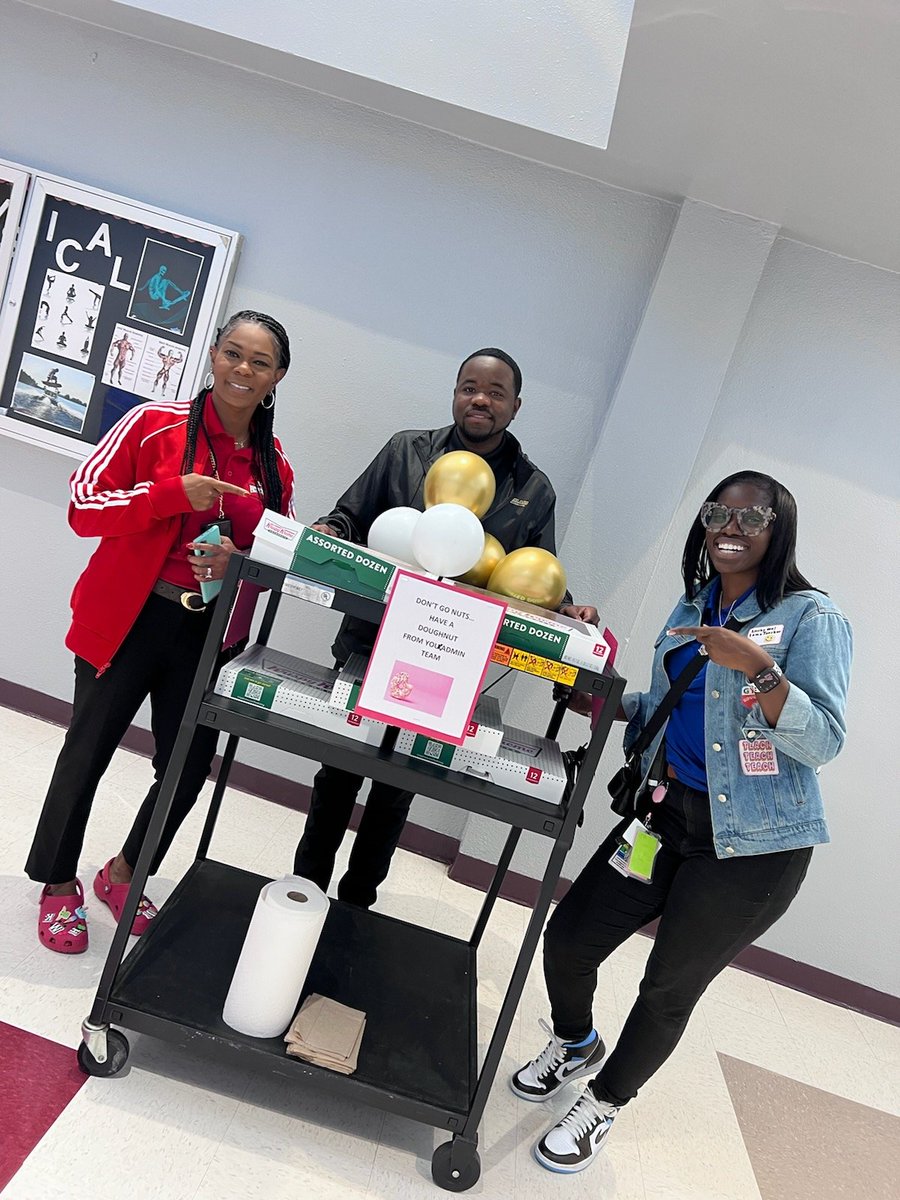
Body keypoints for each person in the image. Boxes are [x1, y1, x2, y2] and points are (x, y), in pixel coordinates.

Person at [511, 471, 852, 1175]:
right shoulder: (695, 603)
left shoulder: (811, 618)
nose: (731, 527)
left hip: (753, 848)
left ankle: (603, 1102)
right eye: (717, 514)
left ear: (777, 528)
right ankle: (575, 1041)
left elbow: (823, 742)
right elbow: (669, 703)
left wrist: (761, 671)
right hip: (662, 819)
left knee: (668, 987)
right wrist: (597, 686)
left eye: (750, 517)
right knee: (570, 940)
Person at [25, 311, 295, 954]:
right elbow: (82, 505)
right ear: (213, 356)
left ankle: (123, 872)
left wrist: (240, 563)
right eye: (233, 353)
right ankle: (58, 883)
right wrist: (167, 494)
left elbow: (282, 553)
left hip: (207, 631)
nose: (243, 370)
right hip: (127, 616)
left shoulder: (273, 462)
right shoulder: (153, 424)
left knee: (187, 766)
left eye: (260, 362)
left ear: (277, 377)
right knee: (87, 751)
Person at [293, 347, 598, 909]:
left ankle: (357, 902)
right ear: (455, 392)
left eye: (495, 392)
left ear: (515, 406)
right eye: (468, 387)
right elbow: (352, 515)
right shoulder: (406, 450)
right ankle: (303, 890)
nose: (479, 399)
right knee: (338, 772)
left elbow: (530, 574)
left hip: (450, 657)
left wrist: (569, 608)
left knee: (398, 784)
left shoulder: (533, 487)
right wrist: (328, 529)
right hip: (372, 637)